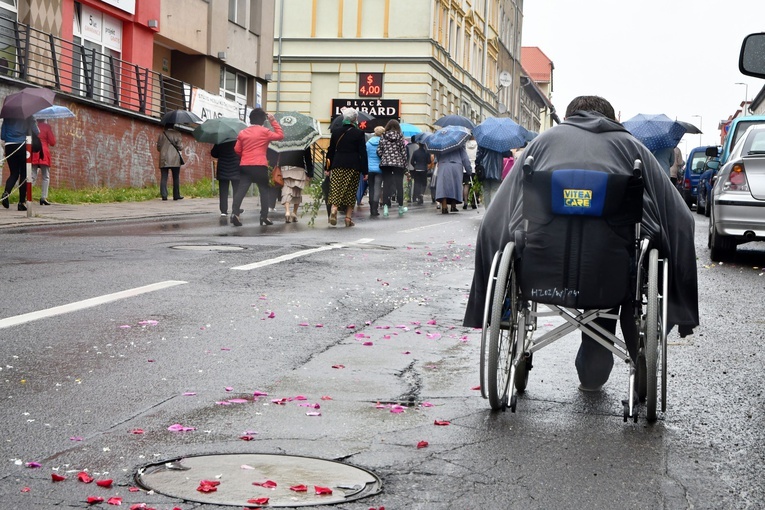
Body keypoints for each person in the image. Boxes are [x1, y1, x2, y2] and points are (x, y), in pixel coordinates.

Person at [463, 95, 699, 391]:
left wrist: (493, 294)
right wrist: (680, 292)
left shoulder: (540, 144)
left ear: (570, 116)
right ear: (612, 120)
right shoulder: (632, 147)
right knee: (629, 268)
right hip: (609, 270)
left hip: (542, 267)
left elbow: (493, 221)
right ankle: (606, 370)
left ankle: (583, 367)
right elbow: (681, 220)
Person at [231, 108, 284, 227]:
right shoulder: (265, 131)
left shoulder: (242, 133)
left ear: (250, 119)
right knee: (264, 191)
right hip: (260, 165)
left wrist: (245, 155)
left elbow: (237, 150)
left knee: (241, 191)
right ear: (263, 120)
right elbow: (280, 135)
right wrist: (273, 120)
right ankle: (263, 216)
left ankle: (235, 213)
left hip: (245, 165)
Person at [326, 107, 368, 227]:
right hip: (353, 165)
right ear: (355, 119)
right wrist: (365, 171)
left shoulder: (336, 132)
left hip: (338, 164)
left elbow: (331, 151)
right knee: (351, 191)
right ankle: (348, 219)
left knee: (336, 188)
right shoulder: (359, 133)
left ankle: (334, 208)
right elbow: (362, 153)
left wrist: (327, 168)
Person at [1, 116, 38, 211]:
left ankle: (6, 193)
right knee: (24, 174)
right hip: (23, 145)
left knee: (14, 173)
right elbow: (37, 132)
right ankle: (21, 202)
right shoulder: (28, 115)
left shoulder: (7, 116)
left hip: (9, 146)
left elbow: (2, 136)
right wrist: (32, 121)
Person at [377, 119, 408, 217]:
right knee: (399, 186)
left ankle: (386, 208)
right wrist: (405, 165)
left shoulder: (383, 136)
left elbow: (379, 151)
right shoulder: (400, 137)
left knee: (386, 185)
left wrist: (384, 156)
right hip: (398, 164)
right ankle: (400, 207)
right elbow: (403, 153)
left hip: (386, 164)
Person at [277, 146, 313, 223]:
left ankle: (287, 211)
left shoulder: (285, 139)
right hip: (299, 168)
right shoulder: (304, 141)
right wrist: (310, 173)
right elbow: (308, 158)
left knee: (286, 189)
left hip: (285, 167)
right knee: (297, 191)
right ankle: (294, 213)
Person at [435, 143, 471, 214]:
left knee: (443, 186)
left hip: (443, 164)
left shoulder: (441, 142)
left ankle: (444, 206)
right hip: (456, 164)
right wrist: (468, 170)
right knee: (455, 184)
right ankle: (453, 206)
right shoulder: (459, 142)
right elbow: (464, 157)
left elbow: (437, 156)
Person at [211, 140, 241, 217]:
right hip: (235, 168)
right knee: (236, 191)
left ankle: (223, 211)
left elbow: (213, 153)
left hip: (223, 169)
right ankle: (235, 209)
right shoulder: (237, 141)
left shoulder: (220, 141)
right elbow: (241, 152)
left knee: (223, 191)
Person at [156, 123, 184, 201]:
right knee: (176, 177)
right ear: (173, 126)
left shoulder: (161, 134)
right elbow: (180, 147)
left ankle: (164, 195)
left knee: (164, 177)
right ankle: (176, 195)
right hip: (175, 158)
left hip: (164, 158)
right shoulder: (177, 134)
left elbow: (158, 148)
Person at [31, 118, 56, 205]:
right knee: (46, 176)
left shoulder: (33, 126)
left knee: (32, 175)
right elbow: (52, 142)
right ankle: (43, 197)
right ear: (45, 119)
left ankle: (27, 196)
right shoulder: (46, 127)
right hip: (44, 153)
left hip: (34, 151)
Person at [365, 126, 385, 217]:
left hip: (369, 169)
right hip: (379, 169)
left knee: (371, 188)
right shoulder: (383, 143)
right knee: (377, 188)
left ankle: (371, 206)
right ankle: (374, 209)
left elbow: (365, 155)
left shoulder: (368, 143)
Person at [409, 137, 433, 206]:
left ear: (419, 144)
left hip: (416, 169)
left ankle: (417, 196)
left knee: (417, 183)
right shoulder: (426, 152)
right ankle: (421, 194)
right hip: (424, 169)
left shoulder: (415, 152)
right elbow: (429, 161)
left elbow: (412, 161)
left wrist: (415, 166)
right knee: (424, 183)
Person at [463, 137, 478, 209]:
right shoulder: (478, 144)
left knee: (466, 185)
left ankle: (465, 202)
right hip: (475, 167)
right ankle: (473, 202)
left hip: (466, 167)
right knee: (474, 185)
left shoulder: (465, 144)